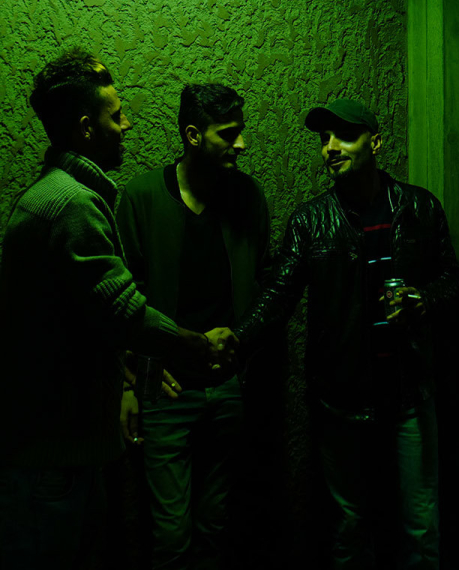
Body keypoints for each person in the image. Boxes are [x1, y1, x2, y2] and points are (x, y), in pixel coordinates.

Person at [0, 49, 235, 569]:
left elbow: (85, 321)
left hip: (57, 456)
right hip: (48, 460)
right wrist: (195, 346)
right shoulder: (70, 204)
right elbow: (122, 311)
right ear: (85, 128)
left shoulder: (61, 196)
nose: (128, 124)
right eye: (116, 115)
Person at [235, 98, 459, 569]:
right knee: (348, 527)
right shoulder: (310, 221)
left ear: (375, 142)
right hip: (340, 398)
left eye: (343, 136)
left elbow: (451, 280)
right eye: (323, 139)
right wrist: (228, 346)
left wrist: (423, 300)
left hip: (407, 394)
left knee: (420, 527)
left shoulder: (419, 208)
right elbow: (276, 298)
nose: (330, 148)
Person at [114, 83, 273, 570]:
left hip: (227, 386)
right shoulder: (141, 197)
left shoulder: (247, 195)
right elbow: (121, 301)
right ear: (192, 135)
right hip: (167, 388)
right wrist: (129, 381)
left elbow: (266, 283)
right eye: (228, 134)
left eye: (241, 132)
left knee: (217, 525)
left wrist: (242, 349)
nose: (241, 144)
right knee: (171, 535)